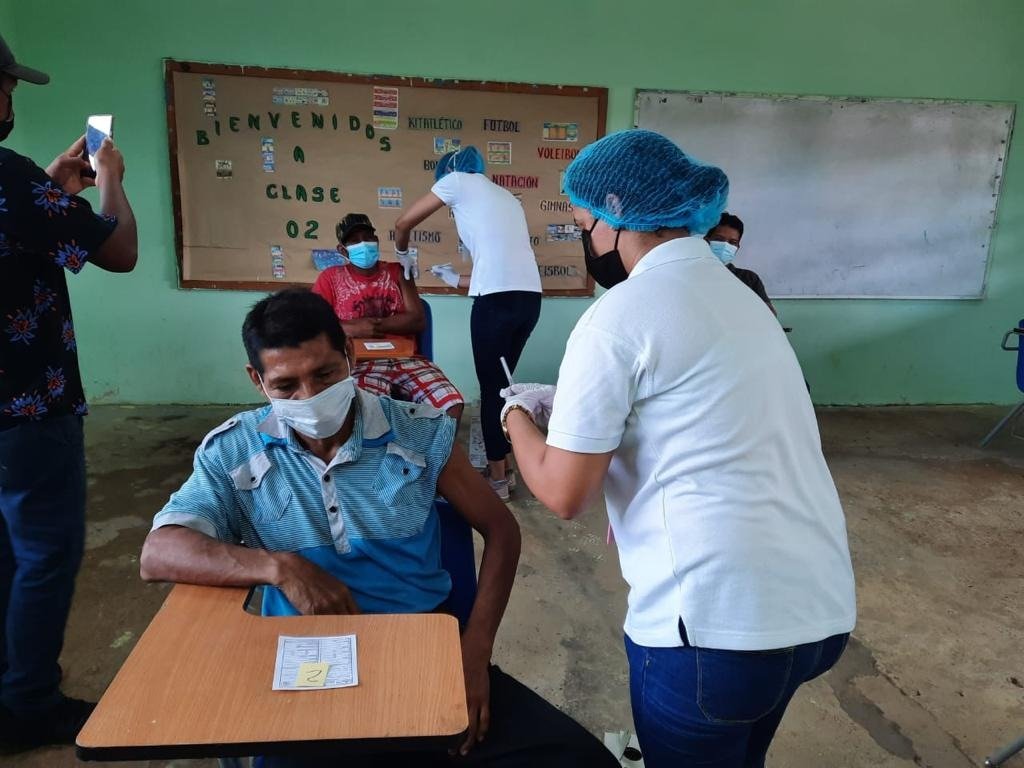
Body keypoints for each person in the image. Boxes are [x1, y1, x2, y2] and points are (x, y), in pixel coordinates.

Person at [139, 289, 616, 768]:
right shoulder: (234, 452)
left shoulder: (419, 431)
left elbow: (502, 531)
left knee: (580, 759)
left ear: (348, 357)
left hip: (422, 652)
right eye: (287, 386)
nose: (311, 397)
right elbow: (159, 552)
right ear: (257, 381)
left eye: (324, 374)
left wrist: (473, 655)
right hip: (310, 666)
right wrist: (278, 567)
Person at [500, 130, 856, 768]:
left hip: (714, 632)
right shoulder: (741, 297)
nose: (586, 243)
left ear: (613, 219)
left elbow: (562, 493)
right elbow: (700, 405)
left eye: (584, 225)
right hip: (816, 607)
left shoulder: (619, 315)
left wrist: (518, 417)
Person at [0, 35, 138, 749]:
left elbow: (20, 236)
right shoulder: (5, 176)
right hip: (27, 409)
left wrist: (53, 190)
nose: (11, 99)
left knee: (6, 549)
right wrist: (109, 174)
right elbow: (118, 251)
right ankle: (28, 704)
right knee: (44, 552)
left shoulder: (23, 187)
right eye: (8, 86)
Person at [395, 147, 541, 501]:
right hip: (527, 300)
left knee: (493, 393)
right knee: (503, 387)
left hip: (497, 302)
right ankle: (504, 465)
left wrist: (402, 255)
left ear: (448, 173)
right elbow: (499, 269)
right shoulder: (505, 196)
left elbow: (403, 223)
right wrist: (453, 280)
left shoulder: (455, 181)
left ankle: (497, 479)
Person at [312, 212, 464, 422]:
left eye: (368, 237)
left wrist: (372, 326)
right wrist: (352, 329)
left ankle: (435, 454)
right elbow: (315, 326)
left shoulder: (398, 271)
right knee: (363, 412)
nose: (364, 244)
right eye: (354, 241)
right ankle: (379, 455)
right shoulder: (330, 278)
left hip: (407, 358)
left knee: (451, 405)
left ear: (376, 240)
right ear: (342, 249)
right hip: (358, 362)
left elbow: (418, 320)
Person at [705, 212, 777, 315]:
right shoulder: (692, 275)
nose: (726, 245)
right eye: (719, 239)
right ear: (706, 241)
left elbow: (770, 315)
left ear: (737, 248)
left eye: (732, 242)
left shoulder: (749, 278)